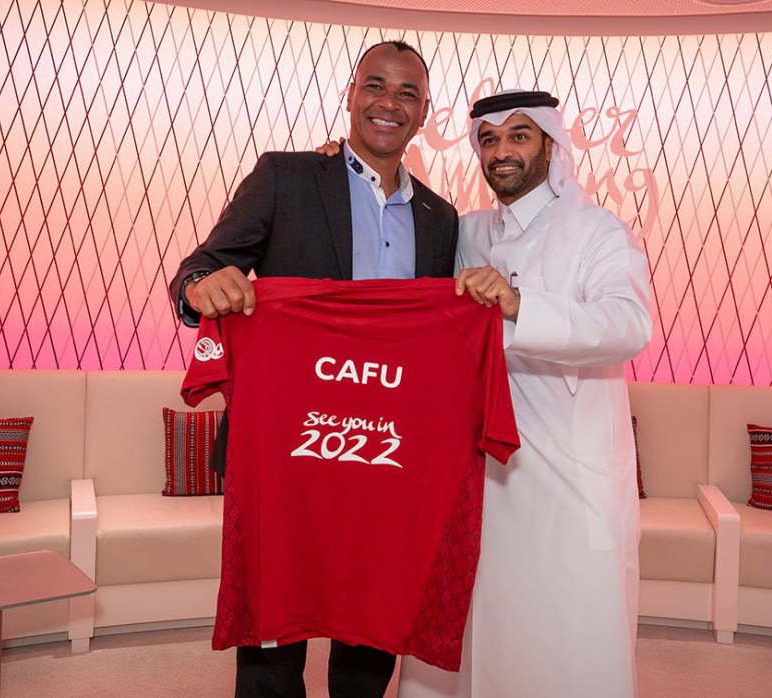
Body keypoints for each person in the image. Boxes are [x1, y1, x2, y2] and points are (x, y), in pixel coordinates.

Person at [169, 40, 459, 698]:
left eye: (407, 93)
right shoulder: (286, 176)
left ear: (423, 115)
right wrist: (199, 292)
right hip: (285, 453)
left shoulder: (441, 219)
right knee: (272, 644)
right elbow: (203, 266)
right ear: (351, 95)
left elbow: (437, 343)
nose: (389, 102)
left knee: (370, 632)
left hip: (384, 457)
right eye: (375, 85)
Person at [402, 89, 653, 697]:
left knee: (565, 637)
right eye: (489, 140)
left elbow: (629, 325)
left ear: (550, 144)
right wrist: (337, 164)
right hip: (479, 474)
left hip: (568, 480)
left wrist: (522, 306)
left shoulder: (596, 232)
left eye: (519, 136)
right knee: (470, 629)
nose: (502, 152)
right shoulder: (467, 231)